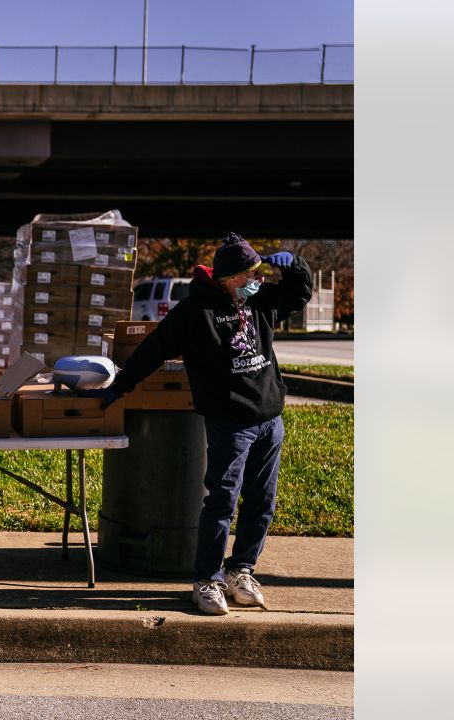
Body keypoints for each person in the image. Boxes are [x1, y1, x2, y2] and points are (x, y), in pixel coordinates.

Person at [85, 232, 312, 615]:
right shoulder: (194, 314)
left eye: (257, 274)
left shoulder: (259, 301)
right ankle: (206, 580)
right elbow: (151, 352)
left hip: (270, 421)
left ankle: (241, 569)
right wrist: (119, 388)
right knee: (222, 502)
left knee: (262, 502)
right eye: (247, 276)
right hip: (230, 423)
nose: (254, 282)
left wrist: (298, 267)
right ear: (227, 278)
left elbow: (298, 294)